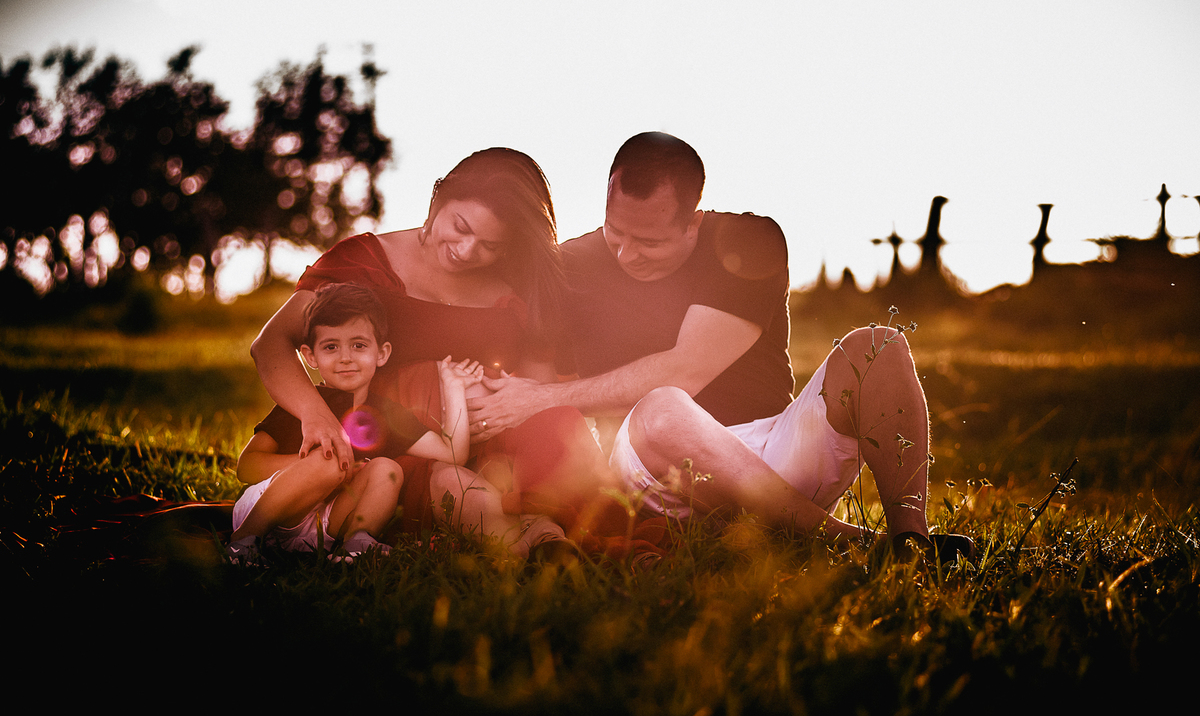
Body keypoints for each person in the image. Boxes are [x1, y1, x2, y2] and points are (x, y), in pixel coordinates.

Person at [470, 132, 969, 556]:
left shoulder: (748, 242)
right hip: (654, 469)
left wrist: (542, 398)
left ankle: (910, 543)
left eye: (650, 242)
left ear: (694, 219)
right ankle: (852, 542)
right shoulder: (570, 265)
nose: (627, 253)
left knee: (878, 345)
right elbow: (483, 299)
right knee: (663, 409)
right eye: (616, 232)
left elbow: (687, 369)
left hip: (773, 453)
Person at [250, 148, 625, 548]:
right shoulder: (366, 262)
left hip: (494, 445)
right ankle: (533, 532)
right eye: (460, 226)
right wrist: (317, 417)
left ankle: (563, 534)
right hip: (406, 445)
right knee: (451, 483)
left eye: (490, 245)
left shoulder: (516, 291)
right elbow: (271, 344)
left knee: (556, 425)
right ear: (438, 199)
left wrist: (513, 408)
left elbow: (539, 385)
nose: (466, 251)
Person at [231, 282, 555, 561]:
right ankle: (243, 543)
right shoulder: (306, 406)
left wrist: (452, 386)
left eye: (358, 345)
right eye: (331, 347)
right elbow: (247, 466)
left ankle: (356, 545)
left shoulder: (384, 413)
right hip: (272, 513)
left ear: (382, 353)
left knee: (388, 470)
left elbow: (450, 453)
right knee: (330, 462)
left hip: (323, 526)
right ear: (311, 356)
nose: (345, 357)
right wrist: (323, 468)